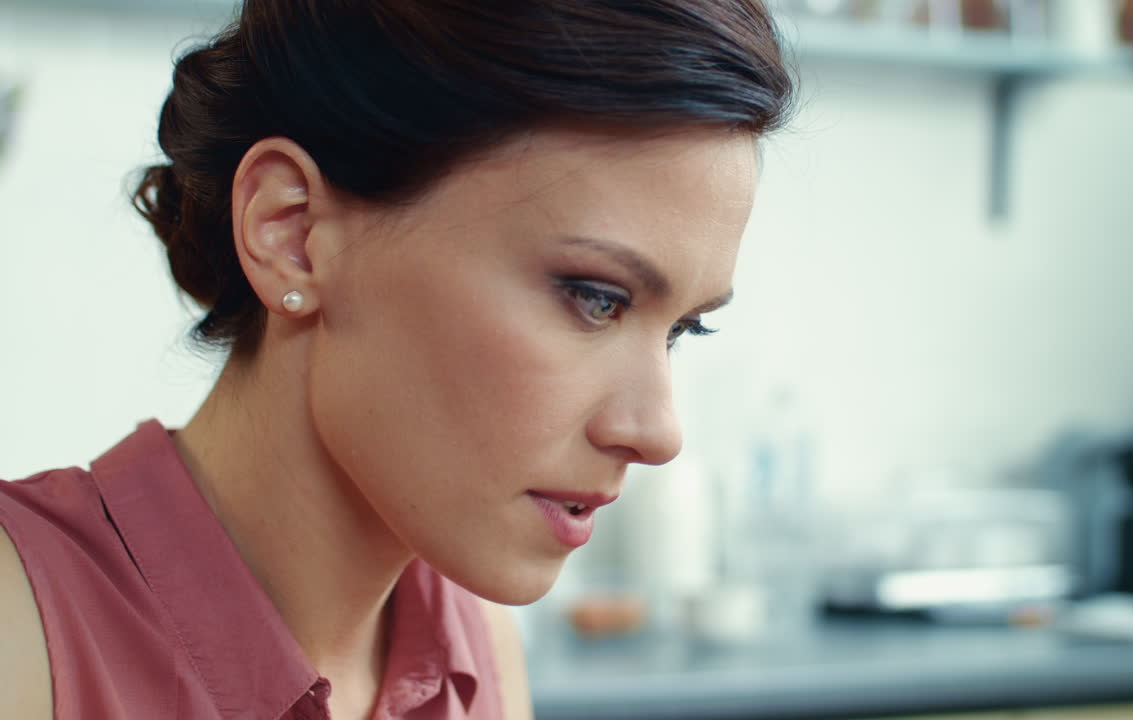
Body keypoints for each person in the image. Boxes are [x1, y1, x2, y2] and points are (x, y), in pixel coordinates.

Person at [0, 0, 794, 717]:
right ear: (294, 235)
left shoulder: (475, 649)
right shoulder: (21, 631)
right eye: (594, 297)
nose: (658, 432)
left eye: (681, 328)